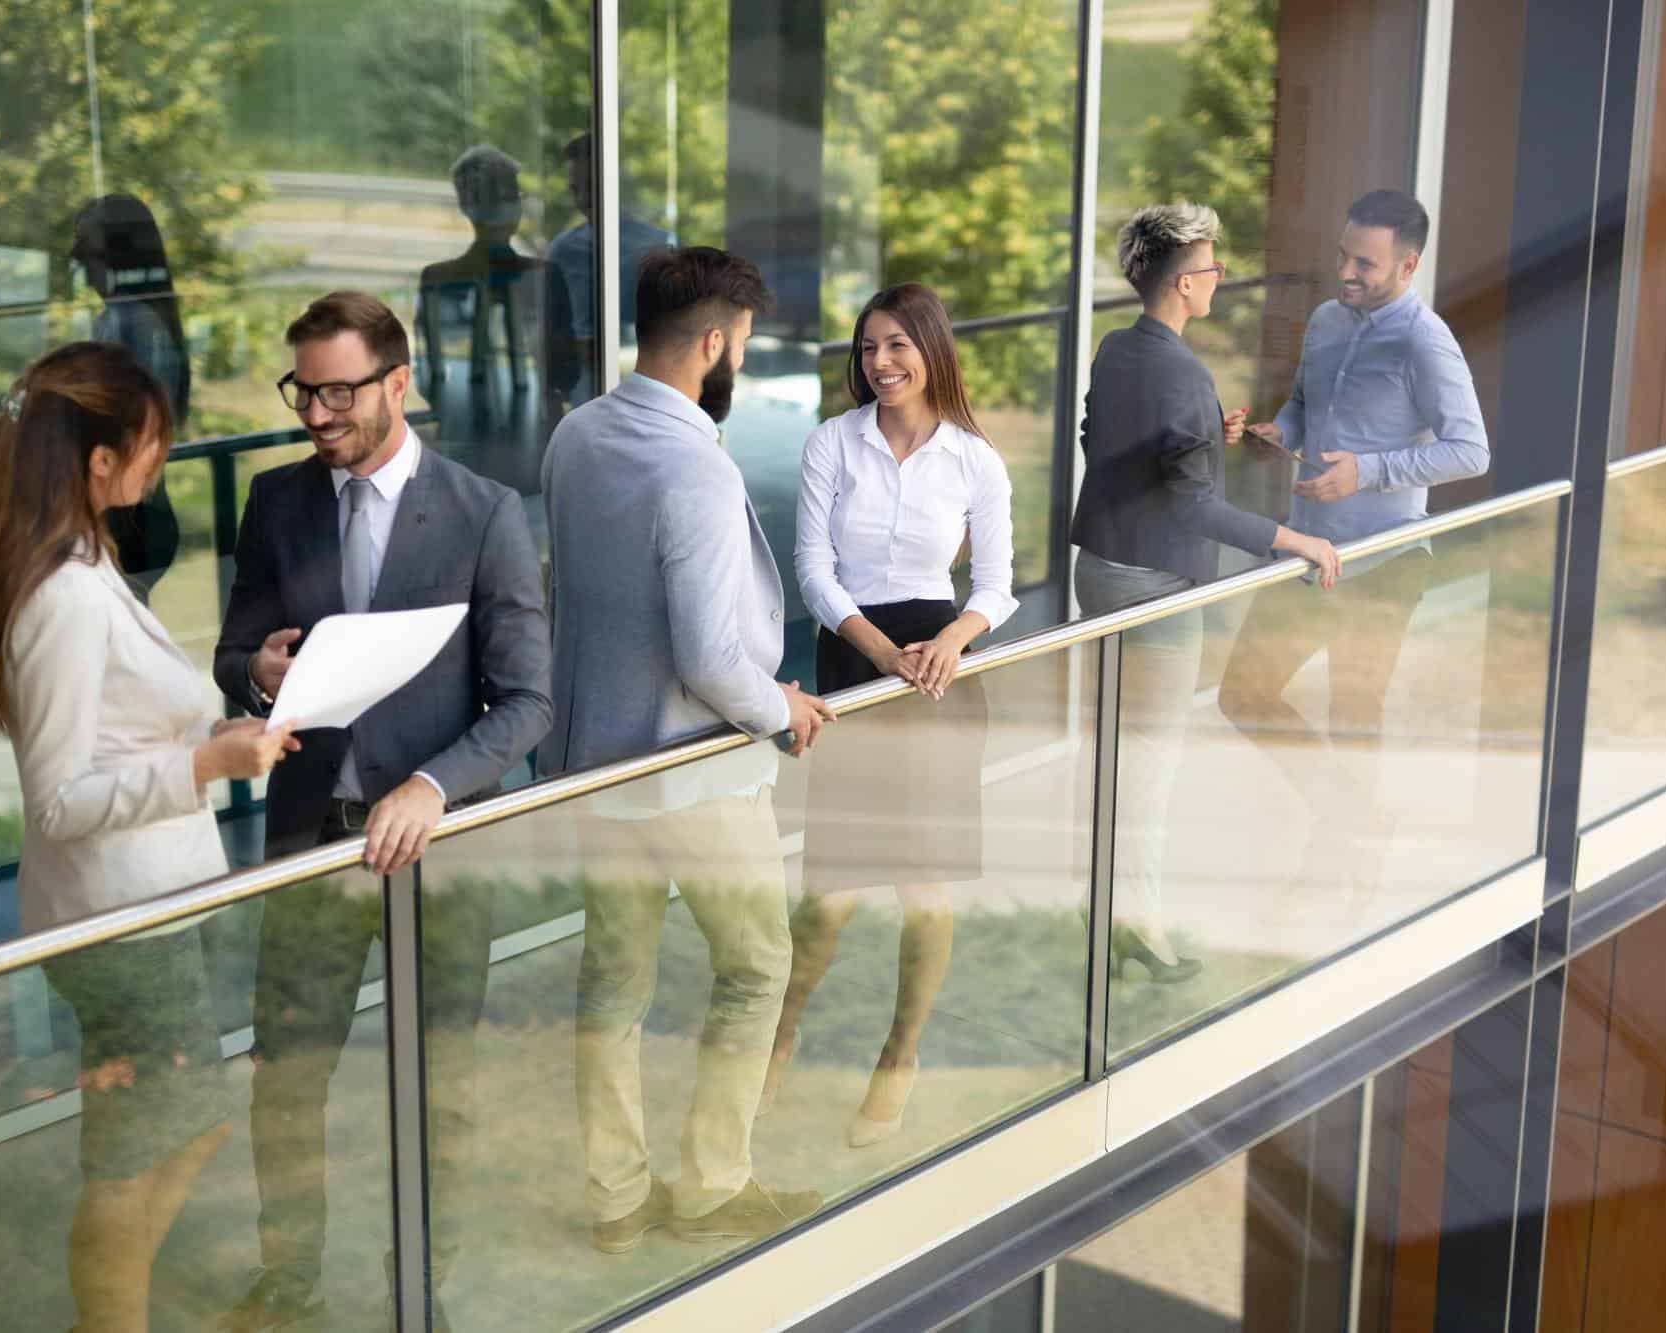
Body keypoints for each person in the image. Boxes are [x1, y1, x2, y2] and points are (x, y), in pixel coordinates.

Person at [213, 291, 551, 1327]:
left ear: (397, 383)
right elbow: (234, 655)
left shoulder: (484, 512)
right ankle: (291, 1278)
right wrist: (259, 674)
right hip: (313, 836)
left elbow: (530, 700)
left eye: (337, 392)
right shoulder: (275, 503)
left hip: (437, 845)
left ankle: (422, 1283)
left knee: (438, 1076)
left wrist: (431, 784)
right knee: (287, 1073)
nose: (315, 413)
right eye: (303, 391)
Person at [0, 341, 296, 1333]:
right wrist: (203, 766)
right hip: (118, 923)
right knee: (143, 1146)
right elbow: (58, 798)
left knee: (167, 1127)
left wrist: (218, 720)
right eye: (149, 445)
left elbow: (122, 726)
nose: (160, 462)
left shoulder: (85, 557)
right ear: (98, 462)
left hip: (151, 904)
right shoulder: (59, 594)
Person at [540, 245, 833, 1254]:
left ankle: (614, 1197)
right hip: (696, 774)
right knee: (754, 966)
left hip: (596, 769)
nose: (738, 362)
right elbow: (711, 657)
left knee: (609, 987)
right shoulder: (694, 468)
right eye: (740, 344)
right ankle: (708, 1186)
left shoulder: (574, 437)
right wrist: (781, 710)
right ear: (712, 343)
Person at [761, 282, 1014, 1147]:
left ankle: (899, 1057)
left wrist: (953, 639)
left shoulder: (975, 460)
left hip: (939, 675)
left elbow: (998, 587)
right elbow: (812, 569)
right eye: (869, 347)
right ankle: (781, 1026)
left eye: (899, 345)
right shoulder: (834, 443)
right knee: (829, 894)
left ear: (932, 349)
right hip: (857, 661)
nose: (881, 362)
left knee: (926, 891)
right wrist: (875, 651)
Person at [1071, 203, 1340, 980]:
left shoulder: (1118, 349)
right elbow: (1193, 506)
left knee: (1116, 751)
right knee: (1149, 765)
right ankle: (1139, 928)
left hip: (1102, 571)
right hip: (1156, 587)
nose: (1220, 278)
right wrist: (1296, 539)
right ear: (1186, 284)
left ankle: (1110, 910)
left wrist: (1197, 437)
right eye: (1214, 269)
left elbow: (1103, 438)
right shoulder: (1184, 374)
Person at [1220, 189, 1489, 897]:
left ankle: (1338, 860)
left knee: (1354, 713)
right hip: (1309, 552)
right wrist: (1285, 430)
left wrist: (1368, 472)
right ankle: (1357, 818)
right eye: (1343, 255)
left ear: (1408, 265)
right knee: (1242, 693)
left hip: (1387, 560)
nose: (1346, 271)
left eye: (1364, 263)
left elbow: (1471, 450)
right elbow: (1309, 403)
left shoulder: (1426, 343)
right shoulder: (1326, 321)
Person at [70, 193, 187, 599]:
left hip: (128, 517)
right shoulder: (135, 319)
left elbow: (121, 423)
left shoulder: (130, 323)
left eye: (87, 252)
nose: (82, 269)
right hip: (138, 512)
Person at [545, 132, 675, 414]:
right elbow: (552, 333)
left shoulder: (661, 246)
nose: (583, 199)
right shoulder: (562, 251)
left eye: (591, 186)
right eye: (574, 189)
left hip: (648, 392)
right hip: (587, 395)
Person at [415, 145, 544, 425]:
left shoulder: (437, 278)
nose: (511, 206)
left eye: (512, 195)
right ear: (467, 205)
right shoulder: (538, 274)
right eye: (504, 196)